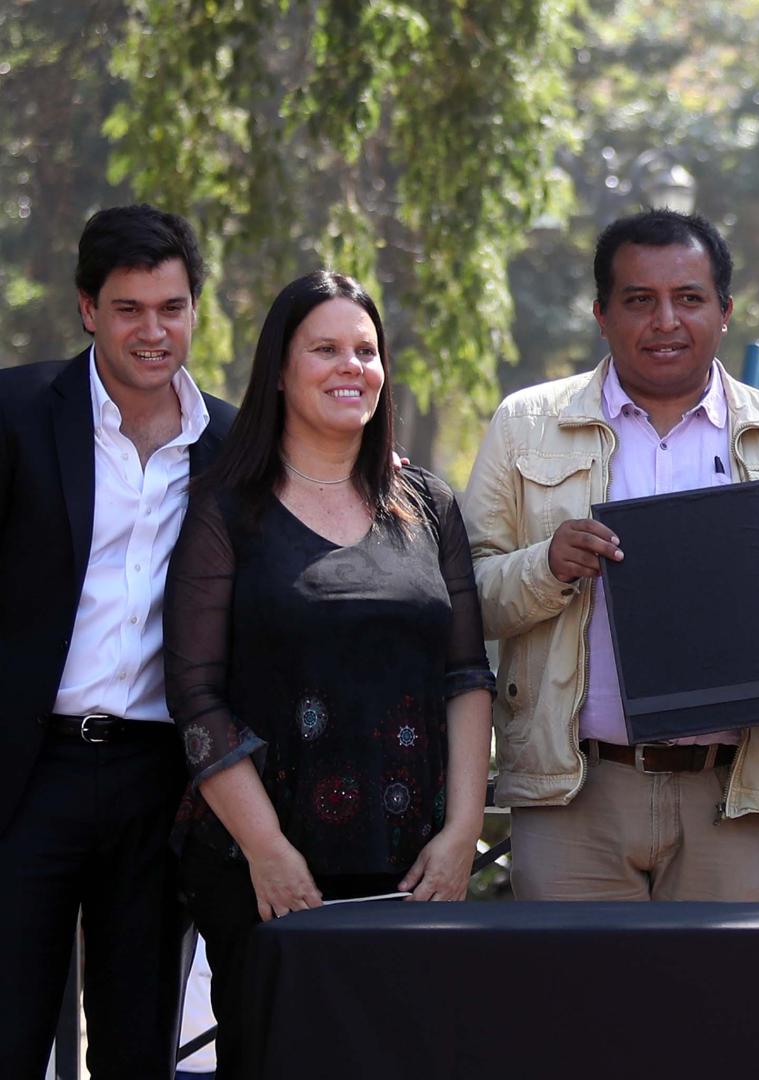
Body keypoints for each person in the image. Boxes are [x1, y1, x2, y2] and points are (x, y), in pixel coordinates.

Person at [164, 271, 494, 1078]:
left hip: (411, 871)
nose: (352, 367)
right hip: (267, 873)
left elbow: (467, 675)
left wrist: (459, 837)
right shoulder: (225, 508)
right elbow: (197, 698)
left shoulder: (427, 504)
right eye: (326, 349)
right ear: (278, 369)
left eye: (366, 350)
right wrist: (268, 851)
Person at [464, 208, 759, 901]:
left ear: (725, 311)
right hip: (575, 795)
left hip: (736, 797)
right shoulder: (525, 425)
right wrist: (547, 566)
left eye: (688, 299)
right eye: (639, 301)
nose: (665, 321)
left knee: (722, 1007)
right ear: (602, 314)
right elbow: (467, 596)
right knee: (579, 1008)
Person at [0, 205, 236, 1079]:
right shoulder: (17, 413)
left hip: (157, 779)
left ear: (195, 311)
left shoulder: (232, 444)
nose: (153, 331)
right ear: (87, 309)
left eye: (171, 308)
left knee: (138, 1045)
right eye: (130, 309)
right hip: (26, 777)